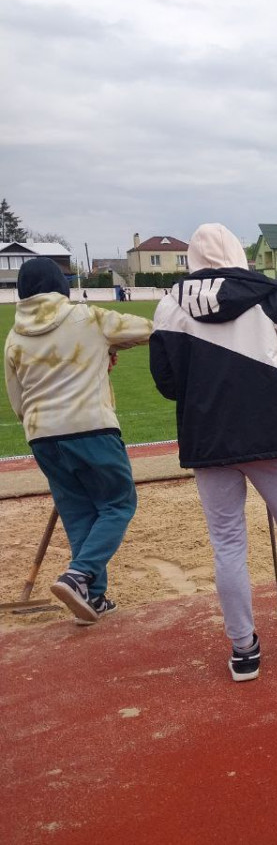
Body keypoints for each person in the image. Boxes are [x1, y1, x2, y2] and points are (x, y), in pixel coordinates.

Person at [149, 223, 277, 682]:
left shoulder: (169, 304)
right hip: (268, 431)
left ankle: (243, 650)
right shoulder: (268, 293)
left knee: (227, 544)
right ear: (236, 252)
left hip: (207, 436)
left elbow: (167, 383)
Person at [4, 257, 153, 624]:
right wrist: (108, 346)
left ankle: (92, 596)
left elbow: (18, 402)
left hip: (42, 436)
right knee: (117, 504)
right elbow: (148, 330)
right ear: (61, 287)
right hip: (91, 427)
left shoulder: (14, 338)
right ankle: (79, 575)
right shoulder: (88, 317)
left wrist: (103, 352)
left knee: (79, 514)